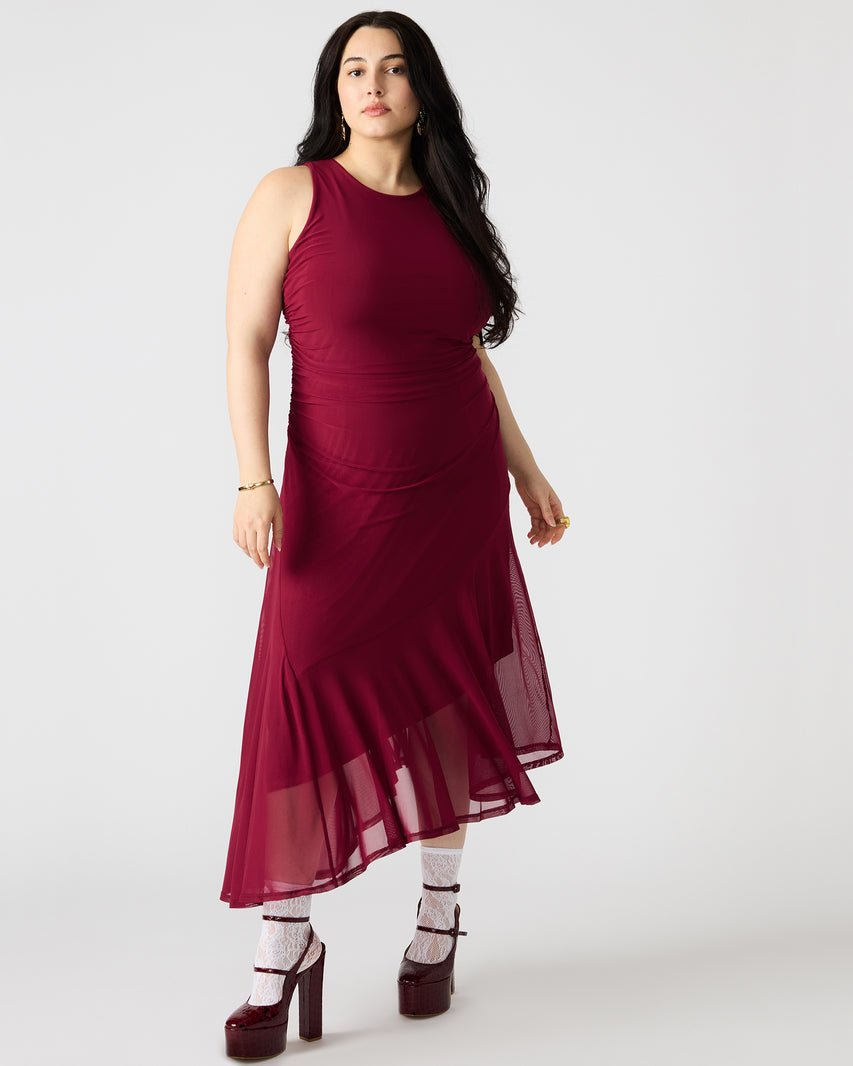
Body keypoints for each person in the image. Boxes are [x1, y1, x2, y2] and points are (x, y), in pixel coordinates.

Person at [221, 9, 569, 1058]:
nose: (371, 84)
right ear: (334, 90)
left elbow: (468, 353)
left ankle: (437, 920)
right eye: (353, 69)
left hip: (452, 495)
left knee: (445, 698)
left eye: (394, 68)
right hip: (334, 498)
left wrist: (527, 471)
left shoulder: (454, 208)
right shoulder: (290, 195)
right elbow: (245, 344)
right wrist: (252, 478)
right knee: (301, 697)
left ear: (423, 92)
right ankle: (285, 941)